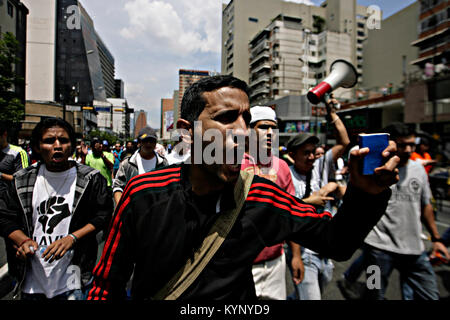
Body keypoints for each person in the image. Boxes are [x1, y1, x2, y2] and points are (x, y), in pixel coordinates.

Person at [88, 75, 399, 300]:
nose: (241, 132)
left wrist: (366, 194)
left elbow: (337, 241)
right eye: (226, 118)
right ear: (187, 133)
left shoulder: (262, 196)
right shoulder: (144, 194)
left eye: (246, 120)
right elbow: (105, 286)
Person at [0, 117, 113, 300]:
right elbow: (5, 218)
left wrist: (73, 238)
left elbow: (103, 215)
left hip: (73, 276)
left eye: (64, 140)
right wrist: (22, 241)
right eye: (49, 141)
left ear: (72, 145)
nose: (57, 145)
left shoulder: (91, 179)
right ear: (37, 147)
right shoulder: (22, 180)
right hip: (31, 280)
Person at [340, 123, 450, 300]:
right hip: (377, 248)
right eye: (402, 145)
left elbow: (426, 205)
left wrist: (437, 238)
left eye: (412, 145)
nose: (408, 149)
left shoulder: (419, 170)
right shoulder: (375, 169)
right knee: (373, 293)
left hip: (414, 250)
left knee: (430, 295)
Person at [286, 96, 351, 300]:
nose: (312, 157)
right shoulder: (286, 175)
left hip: (325, 251)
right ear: (292, 155)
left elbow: (344, 142)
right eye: (306, 153)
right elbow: (286, 216)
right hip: (304, 253)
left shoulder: (321, 166)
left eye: (314, 152)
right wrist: (295, 255)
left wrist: (331, 113)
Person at [240, 106, 297, 300]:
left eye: (274, 128)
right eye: (264, 127)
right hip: (242, 264)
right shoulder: (233, 164)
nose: (270, 133)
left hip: (275, 262)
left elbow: (291, 214)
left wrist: (295, 255)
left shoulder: (281, 167)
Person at [112, 127, 168, 205]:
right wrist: (121, 208)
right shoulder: (127, 163)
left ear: (155, 143)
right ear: (139, 143)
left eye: (151, 141)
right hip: (133, 211)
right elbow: (118, 186)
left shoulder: (163, 163)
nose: (148, 144)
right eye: (145, 141)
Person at [0, 122, 30, 186]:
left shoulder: (18, 152)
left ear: (4, 134)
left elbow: (23, 179)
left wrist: (1, 175)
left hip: (8, 194)